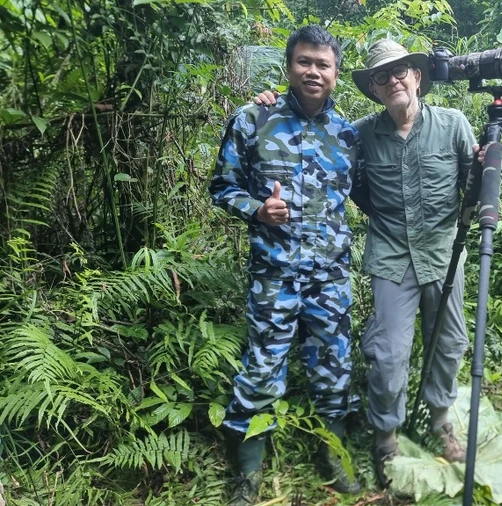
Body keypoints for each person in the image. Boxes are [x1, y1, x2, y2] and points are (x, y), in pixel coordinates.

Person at [254, 38, 476, 486]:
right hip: (392, 258)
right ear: (374, 89)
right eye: (381, 76)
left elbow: (473, 185)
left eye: (401, 71)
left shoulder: (453, 125)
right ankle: (386, 439)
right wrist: (271, 104)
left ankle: (440, 422)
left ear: (417, 77)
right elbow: (347, 181)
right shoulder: (359, 134)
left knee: (448, 345)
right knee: (389, 355)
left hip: (444, 255)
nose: (393, 79)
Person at [209, 25, 362, 505]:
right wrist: (256, 209)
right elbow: (222, 186)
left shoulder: (349, 134)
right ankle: (248, 472)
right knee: (262, 366)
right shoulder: (254, 119)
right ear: (289, 66)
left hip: (330, 272)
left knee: (334, 365)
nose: (313, 71)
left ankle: (332, 455)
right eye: (304, 62)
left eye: (323, 64)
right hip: (274, 272)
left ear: (336, 74)